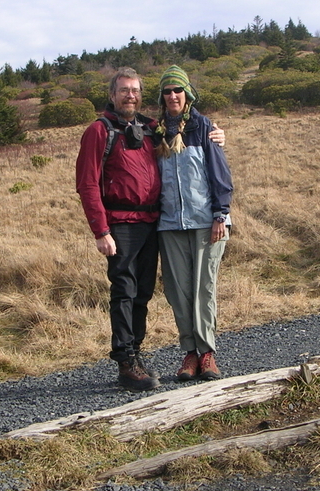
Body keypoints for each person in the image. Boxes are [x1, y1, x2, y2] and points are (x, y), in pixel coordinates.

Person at [76, 67, 224, 392]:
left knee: (142, 293)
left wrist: (217, 134)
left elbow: (184, 126)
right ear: (112, 95)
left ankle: (136, 355)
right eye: (124, 90)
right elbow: (87, 184)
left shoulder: (149, 127)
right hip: (120, 225)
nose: (130, 95)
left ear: (142, 95)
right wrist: (101, 231)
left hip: (152, 223)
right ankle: (126, 360)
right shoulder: (99, 131)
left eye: (135, 90)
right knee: (124, 291)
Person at [154, 65, 233, 381]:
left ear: (187, 93)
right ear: (162, 97)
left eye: (178, 90)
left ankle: (207, 353)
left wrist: (220, 215)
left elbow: (220, 175)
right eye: (167, 91)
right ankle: (190, 353)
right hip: (169, 225)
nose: (173, 96)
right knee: (179, 292)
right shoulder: (155, 132)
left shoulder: (204, 128)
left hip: (205, 223)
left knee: (204, 289)